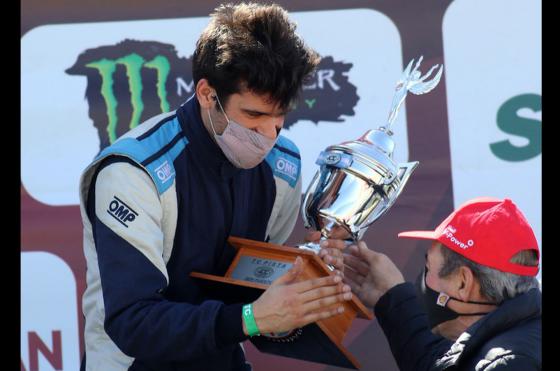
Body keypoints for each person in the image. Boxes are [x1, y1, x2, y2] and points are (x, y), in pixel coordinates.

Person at [78, 3, 351, 370]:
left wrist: (307, 278)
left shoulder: (283, 166)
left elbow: (249, 285)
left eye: (280, 117)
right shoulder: (134, 171)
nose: (268, 136)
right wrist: (251, 319)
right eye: (253, 116)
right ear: (207, 94)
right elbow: (133, 322)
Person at [343, 197, 541, 370]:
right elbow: (436, 363)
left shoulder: (508, 363)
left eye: (428, 267)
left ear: (463, 283)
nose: (423, 278)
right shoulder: (515, 340)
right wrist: (389, 294)